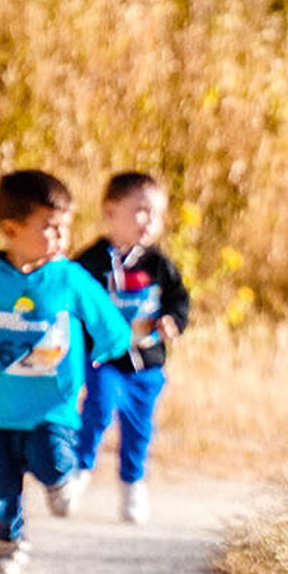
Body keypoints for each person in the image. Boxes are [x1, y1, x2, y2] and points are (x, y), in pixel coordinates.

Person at [0, 171, 130, 574]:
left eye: (65, 227)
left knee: (51, 459)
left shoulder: (68, 277)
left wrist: (109, 347)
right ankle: (9, 540)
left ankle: (61, 479)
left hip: (50, 407)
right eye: (49, 227)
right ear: (11, 229)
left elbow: (107, 320)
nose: (61, 237)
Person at [69, 171, 191, 524]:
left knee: (140, 426)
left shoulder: (158, 264)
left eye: (156, 214)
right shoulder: (91, 262)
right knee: (99, 408)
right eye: (140, 211)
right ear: (110, 211)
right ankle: (79, 471)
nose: (149, 221)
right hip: (104, 359)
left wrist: (173, 320)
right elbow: (72, 300)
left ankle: (132, 484)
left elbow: (179, 300)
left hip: (147, 362)